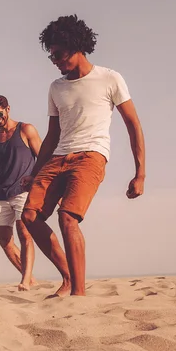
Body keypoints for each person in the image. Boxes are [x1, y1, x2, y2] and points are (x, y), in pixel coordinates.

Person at [20, 15, 146, 297]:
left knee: (68, 218)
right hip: (57, 158)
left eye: (58, 53)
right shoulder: (56, 87)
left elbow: (133, 124)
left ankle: (78, 295)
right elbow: (52, 136)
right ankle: (67, 277)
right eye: (50, 54)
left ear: (75, 45)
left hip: (91, 156)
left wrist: (140, 173)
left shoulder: (110, 78)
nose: (54, 59)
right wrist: (35, 172)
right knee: (29, 216)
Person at [0, 95, 42, 291]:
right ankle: (30, 278)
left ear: (8, 109)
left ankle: (25, 281)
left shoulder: (26, 129)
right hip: (1, 194)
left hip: (23, 192)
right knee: (4, 240)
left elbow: (43, 160)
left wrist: (41, 185)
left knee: (24, 234)